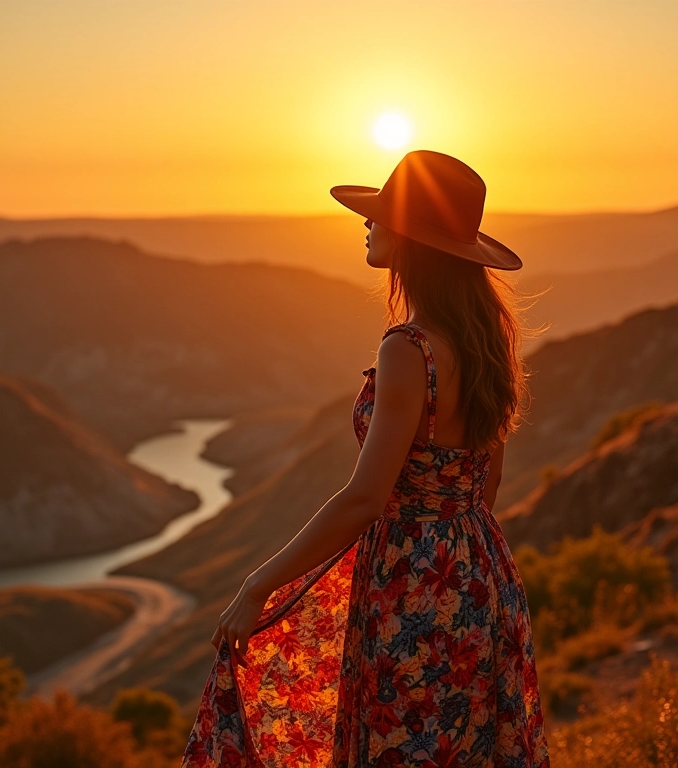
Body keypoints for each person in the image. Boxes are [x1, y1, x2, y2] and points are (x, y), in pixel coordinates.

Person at [181, 150, 551, 767]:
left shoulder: (408, 349)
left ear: (409, 238)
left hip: (409, 584)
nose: (367, 224)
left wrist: (257, 587)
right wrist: (454, 549)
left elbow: (363, 498)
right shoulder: (487, 339)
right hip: (481, 575)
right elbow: (487, 485)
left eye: (380, 216)